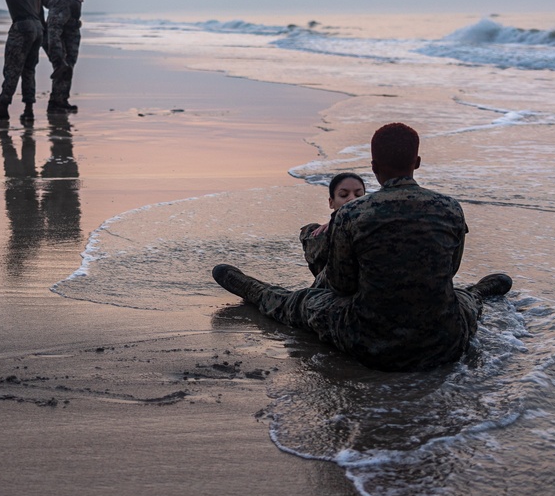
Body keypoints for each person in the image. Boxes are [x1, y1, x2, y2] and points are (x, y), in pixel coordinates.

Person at [212, 122, 513, 372]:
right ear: (417, 163)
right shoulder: (451, 208)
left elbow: (341, 285)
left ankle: (252, 288)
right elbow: (449, 271)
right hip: (445, 342)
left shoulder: (351, 213)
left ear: (374, 167)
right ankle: (480, 291)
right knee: (462, 299)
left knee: (299, 303)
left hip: (368, 342)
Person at [300, 172, 365, 279]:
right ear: (331, 202)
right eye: (344, 195)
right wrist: (337, 222)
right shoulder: (322, 233)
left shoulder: (373, 228)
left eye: (358, 195)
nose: (352, 199)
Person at [39, 0, 86, 113]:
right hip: (57, 14)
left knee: (65, 64)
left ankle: (60, 101)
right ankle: (58, 101)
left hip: (62, 19)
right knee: (63, 63)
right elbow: (55, 31)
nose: (82, 0)